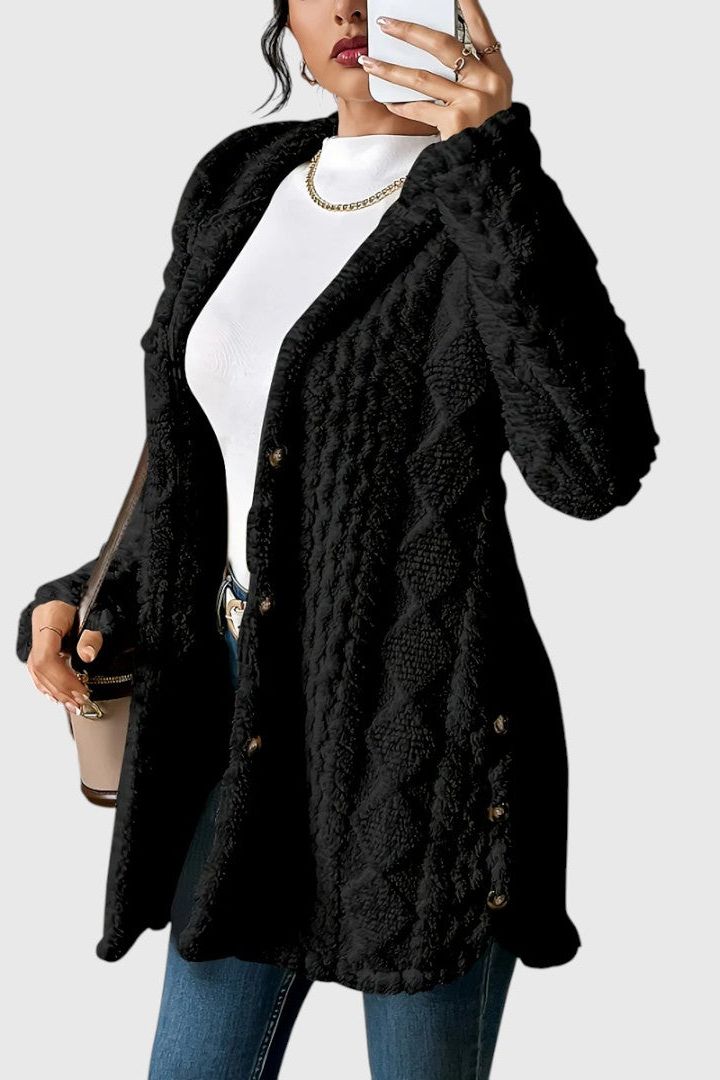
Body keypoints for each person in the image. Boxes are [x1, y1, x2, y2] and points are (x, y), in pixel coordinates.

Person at [16, 2, 660, 1078]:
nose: (352, 5)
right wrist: (92, 590)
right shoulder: (239, 182)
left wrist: (493, 168)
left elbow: (594, 470)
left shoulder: (483, 201)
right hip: (239, 717)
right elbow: (196, 460)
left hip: (428, 736)